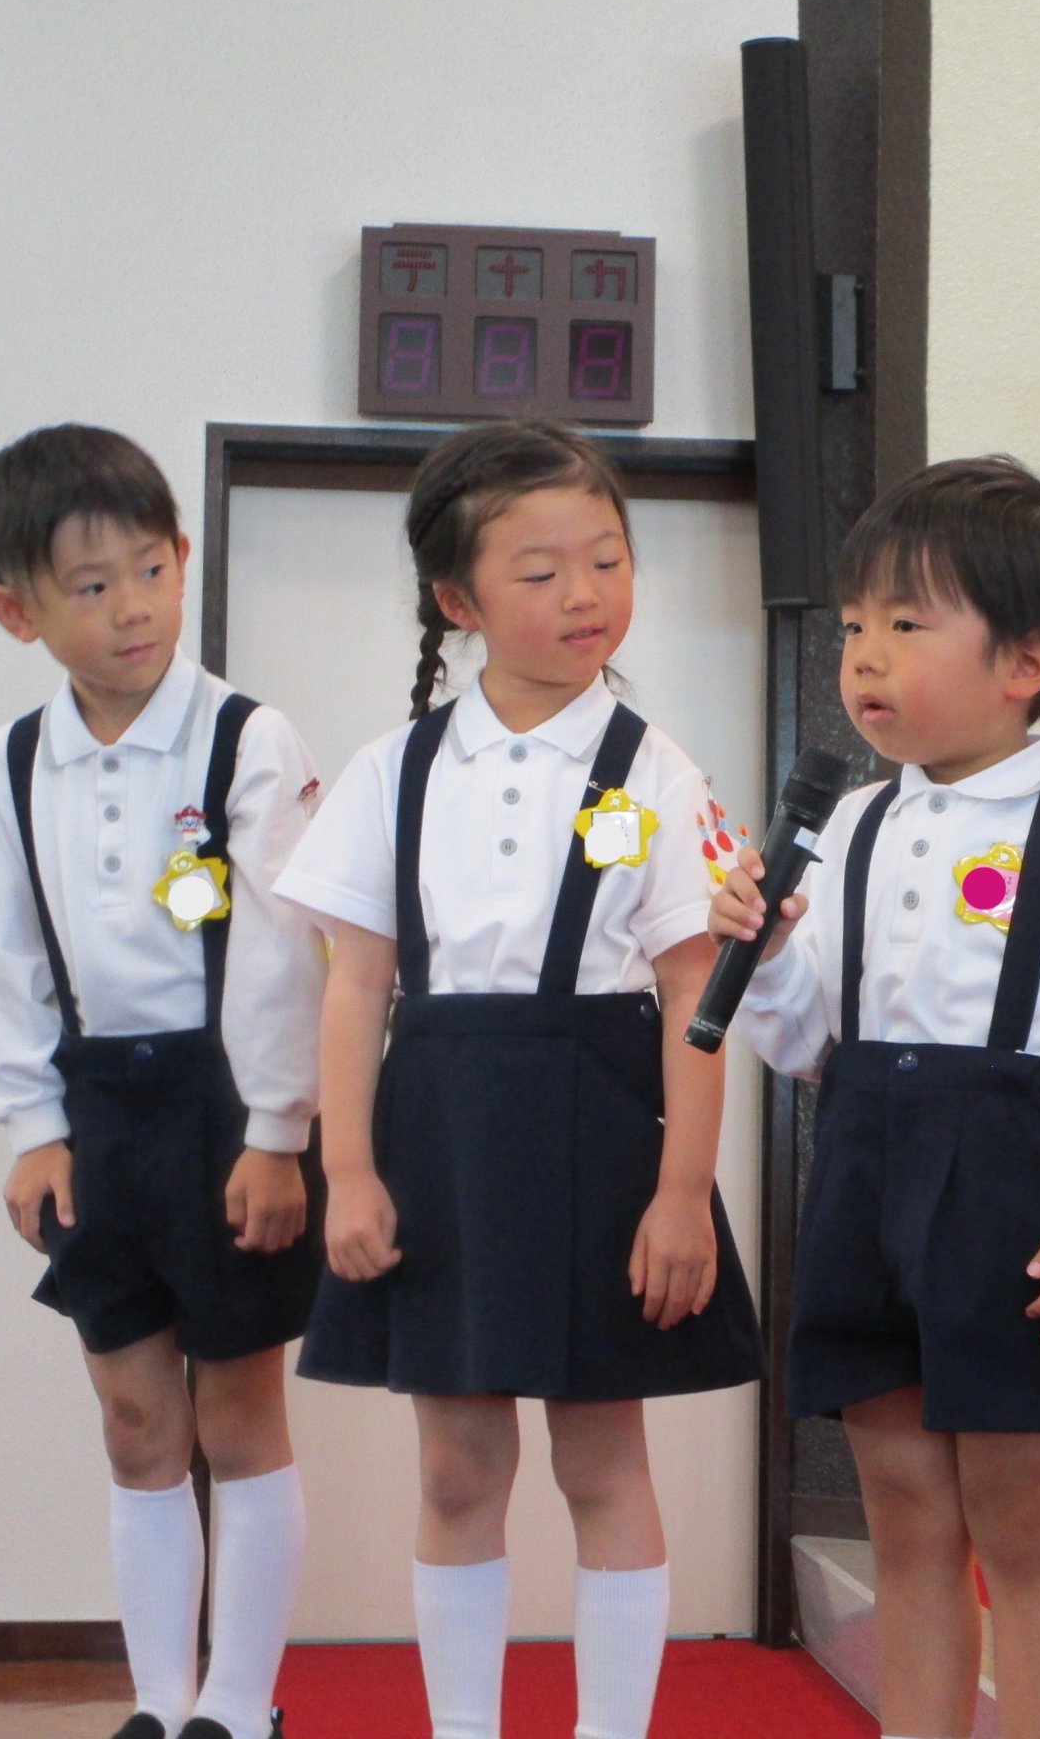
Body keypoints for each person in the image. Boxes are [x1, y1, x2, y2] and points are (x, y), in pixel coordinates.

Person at [710, 458, 1040, 1739]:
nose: (865, 658)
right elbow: (807, 1042)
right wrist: (764, 957)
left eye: (907, 624)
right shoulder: (854, 828)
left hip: (1016, 1195)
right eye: (855, 627)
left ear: (1028, 661)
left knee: (1023, 1517)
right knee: (905, 1517)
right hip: (865, 1176)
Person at [276, 420, 763, 1739]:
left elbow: (694, 997)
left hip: (601, 1136)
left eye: (607, 558)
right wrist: (349, 1172)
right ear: (459, 600)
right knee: (456, 1465)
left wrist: (682, 1195)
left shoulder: (655, 769)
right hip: (439, 1135)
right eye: (542, 572)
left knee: (603, 1458)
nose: (585, 594)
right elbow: (355, 986)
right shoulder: (395, 769)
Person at [0, 424, 327, 1739]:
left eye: (150, 570)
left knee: (237, 1406)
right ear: (19, 612)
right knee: (132, 1415)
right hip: (94, 1116)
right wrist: (32, 1124)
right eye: (91, 584)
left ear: (182, 557)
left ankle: (240, 1703)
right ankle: (159, 1703)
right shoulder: (10, 763)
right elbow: (3, 957)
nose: (132, 607)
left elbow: (283, 953)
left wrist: (277, 1131)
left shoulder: (244, 736)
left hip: (228, 1108)